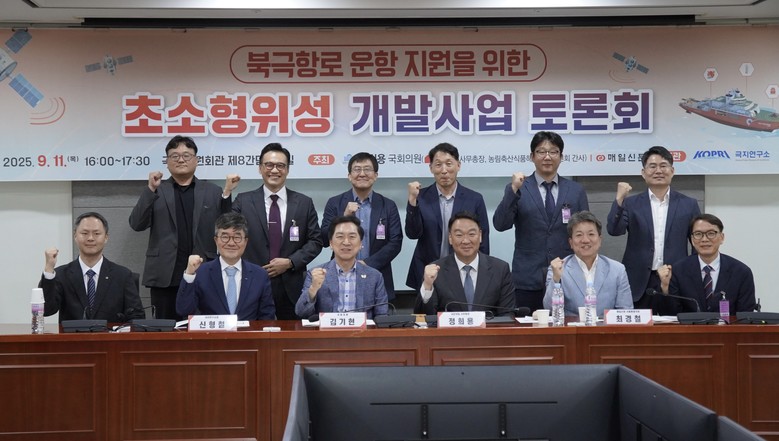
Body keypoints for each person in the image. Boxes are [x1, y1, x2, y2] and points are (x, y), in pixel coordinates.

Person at [129, 135, 240, 320]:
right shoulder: (157, 190)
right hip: (165, 275)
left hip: (204, 271)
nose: (181, 160)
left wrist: (227, 194)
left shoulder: (212, 191)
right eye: (175, 156)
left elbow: (228, 226)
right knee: (166, 329)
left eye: (186, 155)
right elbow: (136, 224)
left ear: (196, 160)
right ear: (167, 162)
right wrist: (150, 189)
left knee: (203, 327)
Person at [493, 131, 589, 312]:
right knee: (526, 327)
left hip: (567, 275)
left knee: (566, 326)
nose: (547, 157)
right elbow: (500, 224)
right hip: (528, 277)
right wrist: (513, 190)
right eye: (541, 151)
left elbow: (585, 233)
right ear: (532, 156)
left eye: (553, 152)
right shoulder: (519, 188)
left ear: (561, 156)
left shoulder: (575, 191)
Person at [232, 142, 323, 319]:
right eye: (269, 165)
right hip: (251, 283)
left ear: (287, 170)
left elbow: (316, 241)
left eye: (280, 165)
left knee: (291, 334)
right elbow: (228, 233)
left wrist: (290, 262)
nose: (275, 170)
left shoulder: (304, 203)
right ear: (260, 168)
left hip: (291, 286)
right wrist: (227, 193)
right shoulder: (243, 201)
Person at [606, 145, 700, 312]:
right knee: (638, 328)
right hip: (639, 281)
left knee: (673, 326)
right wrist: (619, 200)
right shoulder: (631, 203)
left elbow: (696, 243)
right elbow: (614, 230)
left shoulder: (688, 204)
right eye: (652, 166)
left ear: (672, 171)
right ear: (643, 173)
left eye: (663, 166)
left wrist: (691, 274)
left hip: (674, 277)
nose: (658, 171)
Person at [406, 142, 490, 292]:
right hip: (427, 269)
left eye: (449, 164)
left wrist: (482, 272)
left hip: (463, 270)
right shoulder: (421, 197)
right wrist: (412, 202)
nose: (444, 170)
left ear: (458, 165)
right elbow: (413, 234)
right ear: (431, 168)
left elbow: (483, 240)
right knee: (427, 307)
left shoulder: (474, 199)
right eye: (438, 165)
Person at [320, 152, 402, 301]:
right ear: (349, 176)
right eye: (357, 169)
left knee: (379, 314)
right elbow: (325, 239)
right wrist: (344, 217)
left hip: (378, 274)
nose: (362, 174)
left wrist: (367, 264)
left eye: (367, 169)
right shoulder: (334, 203)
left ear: (375, 176)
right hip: (340, 275)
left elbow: (395, 242)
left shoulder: (388, 205)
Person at [40, 212, 145, 322]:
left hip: (110, 333)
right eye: (84, 233)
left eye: (96, 233)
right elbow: (46, 310)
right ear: (75, 236)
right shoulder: (62, 274)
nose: (90, 238)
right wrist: (49, 269)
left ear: (106, 237)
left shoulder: (122, 275)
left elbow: (137, 316)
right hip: (73, 333)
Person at [176, 212, 275, 320]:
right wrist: (189, 274)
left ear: (245, 241)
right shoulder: (201, 272)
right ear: (216, 240)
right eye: (225, 237)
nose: (231, 243)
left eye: (237, 237)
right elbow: (183, 310)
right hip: (212, 331)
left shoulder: (260, 275)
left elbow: (267, 317)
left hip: (248, 331)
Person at [416, 211, 514, 316]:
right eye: (459, 235)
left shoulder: (500, 269)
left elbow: (507, 315)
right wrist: (427, 286)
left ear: (480, 236)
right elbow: (424, 316)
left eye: (471, 234)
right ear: (450, 238)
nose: (466, 241)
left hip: (488, 327)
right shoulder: (436, 271)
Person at [658, 213, 756, 314]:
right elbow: (670, 314)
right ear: (692, 240)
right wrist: (665, 288)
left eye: (711, 233)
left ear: (722, 237)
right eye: (698, 234)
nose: (704, 239)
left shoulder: (741, 272)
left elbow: (746, 315)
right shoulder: (678, 271)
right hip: (690, 325)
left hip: (728, 324)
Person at [296, 216, 389, 319]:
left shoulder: (375, 276)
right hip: (328, 329)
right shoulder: (315, 274)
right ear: (331, 243)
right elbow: (301, 312)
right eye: (340, 236)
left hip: (363, 329)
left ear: (360, 244)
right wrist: (313, 289)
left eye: (352, 237)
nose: (346, 242)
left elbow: (382, 316)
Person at [543, 211, 633, 317]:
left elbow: (626, 312)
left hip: (606, 327)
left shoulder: (617, 270)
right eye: (579, 235)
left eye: (591, 234)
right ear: (571, 242)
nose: (585, 240)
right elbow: (549, 309)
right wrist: (556, 279)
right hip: (571, 326)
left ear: (600, 240)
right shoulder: (558, 268)